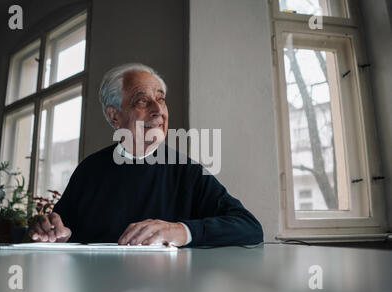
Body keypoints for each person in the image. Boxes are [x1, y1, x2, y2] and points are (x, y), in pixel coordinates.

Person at [28, 63, 263, 247]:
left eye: (161, 99)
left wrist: (181, 231)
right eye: (142, 100)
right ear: (114, 116)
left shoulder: (186, 171)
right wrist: (52, 231)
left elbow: (250, 227)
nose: (158, 110)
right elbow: (60, 229)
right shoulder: (89, 170)